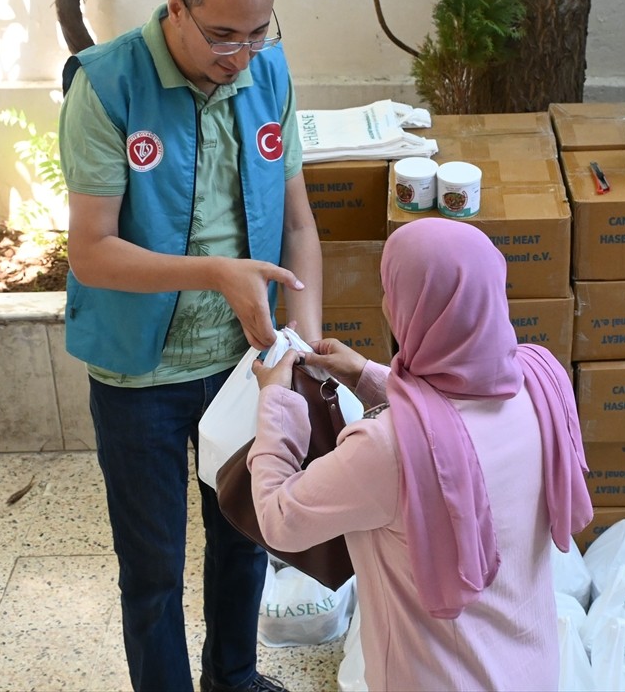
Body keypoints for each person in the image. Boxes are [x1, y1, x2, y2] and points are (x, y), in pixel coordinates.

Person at [58, 0, 321, 692]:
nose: (239, 55)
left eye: (257, 33)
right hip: (141, 375)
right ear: (176, 6)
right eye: (221, 35)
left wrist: (304, 344)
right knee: (152, 568)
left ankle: (233, 678)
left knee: (245, 534)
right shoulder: (108, 87)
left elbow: (301, 225)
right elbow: (91, 250)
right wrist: (216, 274)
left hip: (246, 364)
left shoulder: (267, 74)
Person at [248, 218, 593, 691]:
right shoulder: (541, 383)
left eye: (391, 291)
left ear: (404, 309)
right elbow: (459, 423)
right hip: (530, 670)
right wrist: (365, 375)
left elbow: (280, 517)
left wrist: (276, 400)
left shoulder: (386, 448)